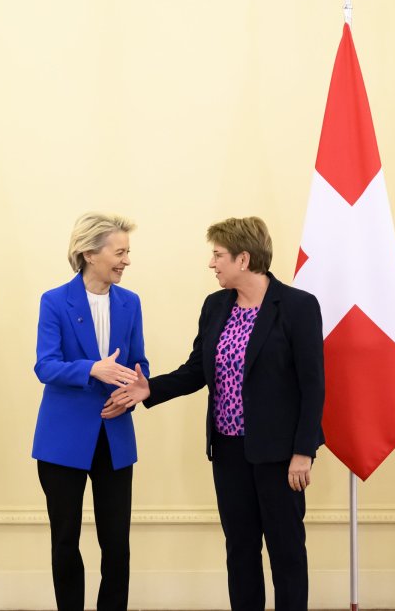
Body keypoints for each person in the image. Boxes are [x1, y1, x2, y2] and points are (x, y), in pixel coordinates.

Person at [110, 216, 324, 611]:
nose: (212, 263)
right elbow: (197, 370)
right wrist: (149, 388)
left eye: (218, 255)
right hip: (228, 452)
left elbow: (314, 386)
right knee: (240, 549)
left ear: (244, 259)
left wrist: (304, 450)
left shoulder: (297, 306)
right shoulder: (216, 306)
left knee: (286, 552)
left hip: (279, 455)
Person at [32, 212, 149, 611]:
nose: (126, 261)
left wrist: (135, 388)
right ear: (88, 252)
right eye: (119, 252)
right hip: (62, 441)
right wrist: (91, 369)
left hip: (115, 438)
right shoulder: (54, 301)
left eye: (127, 252)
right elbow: (44, 366)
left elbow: (139, 365)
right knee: (65, 540)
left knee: (117, 543)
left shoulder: (130, 303)